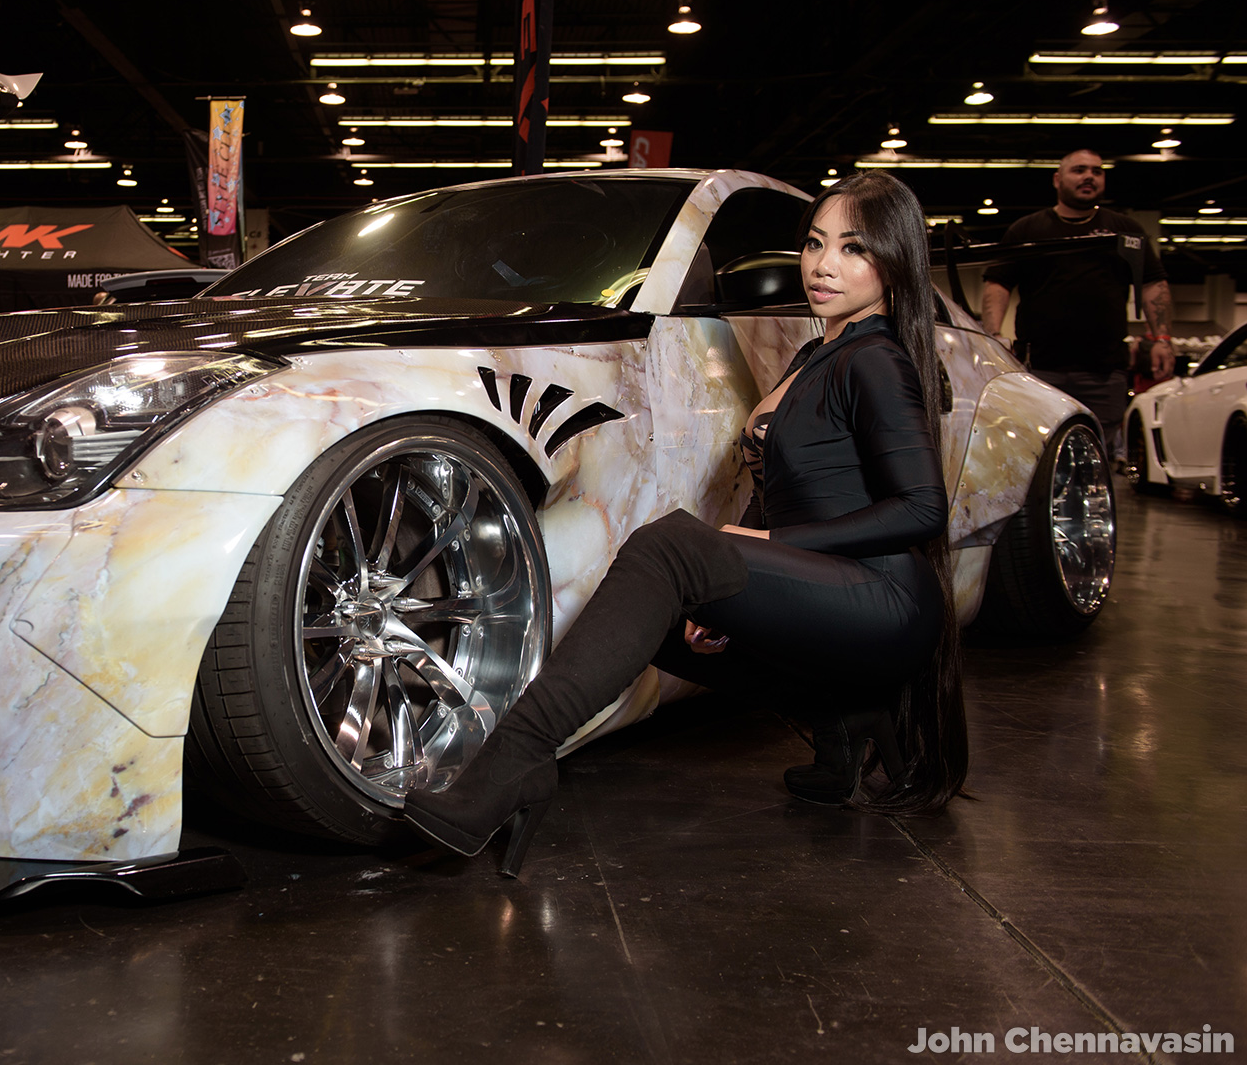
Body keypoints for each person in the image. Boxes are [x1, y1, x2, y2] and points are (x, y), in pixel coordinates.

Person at [403, 171, 968, 875]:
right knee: (656, 618)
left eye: (853, 248)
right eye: (815, 243)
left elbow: (921, 508)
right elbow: (778, 492)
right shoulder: (816, 355)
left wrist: (761, 545)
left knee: (669, 547)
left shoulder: (877, 358)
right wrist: (731, 581)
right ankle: (844, 722)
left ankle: (514, 763)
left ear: (894, 262)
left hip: (884, 599)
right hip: (826, 586)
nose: (823, 265)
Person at [979, 149, 1172, 459]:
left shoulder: (1126, 230)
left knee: (1096, 455)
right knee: (1037, 454)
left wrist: (1162, 338)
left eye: (1097, 171)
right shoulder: (1028, 230)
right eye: (1079, 170)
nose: (1089, 177)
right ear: (1057, 180)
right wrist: (993, 336)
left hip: (1104, 370)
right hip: (1040, 368)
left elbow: (1153, 284)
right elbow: (998, 283)